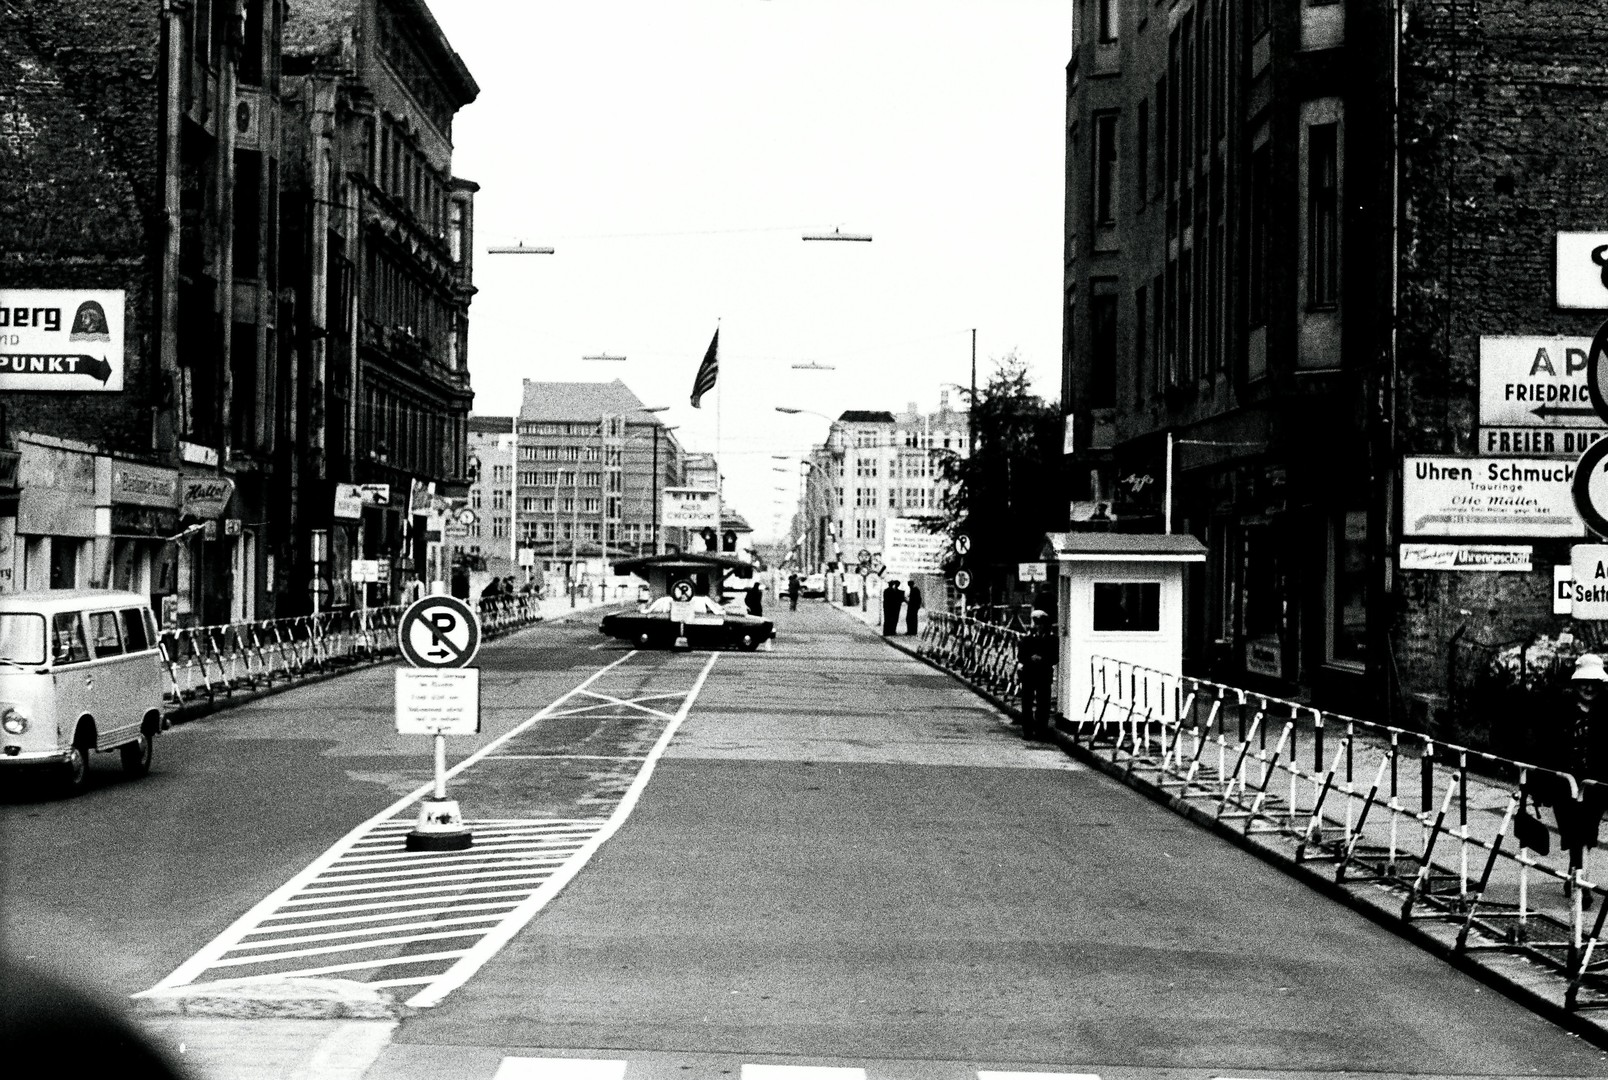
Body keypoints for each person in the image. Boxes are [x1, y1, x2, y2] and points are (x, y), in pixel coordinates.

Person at [1531, 653, 1608, 904]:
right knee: (1572, 830)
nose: (1589, 688)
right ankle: (1578, 876)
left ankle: (1579, 878)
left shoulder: (1606, 712)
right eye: (1584, 682)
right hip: (1564, 783)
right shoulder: (1560, 711)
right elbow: (1545, 747)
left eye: (1594, 683)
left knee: (1586, 830)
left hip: (1594, 784)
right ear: (1576, 684)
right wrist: (1538, 785)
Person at [1016, 609, 1057, 740]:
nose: (1039, 627)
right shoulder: (1027, 639)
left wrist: (1043, 659)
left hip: (1044, 674)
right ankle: (1027, 731)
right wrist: (1030, 658)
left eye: (1041, 624)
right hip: (1029, 673)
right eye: (1037, 624)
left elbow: (1055, 657)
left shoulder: (1052, 639)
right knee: (1027, 703)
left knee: (1043, 704)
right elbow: (1020, 656)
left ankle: (1041, 730)